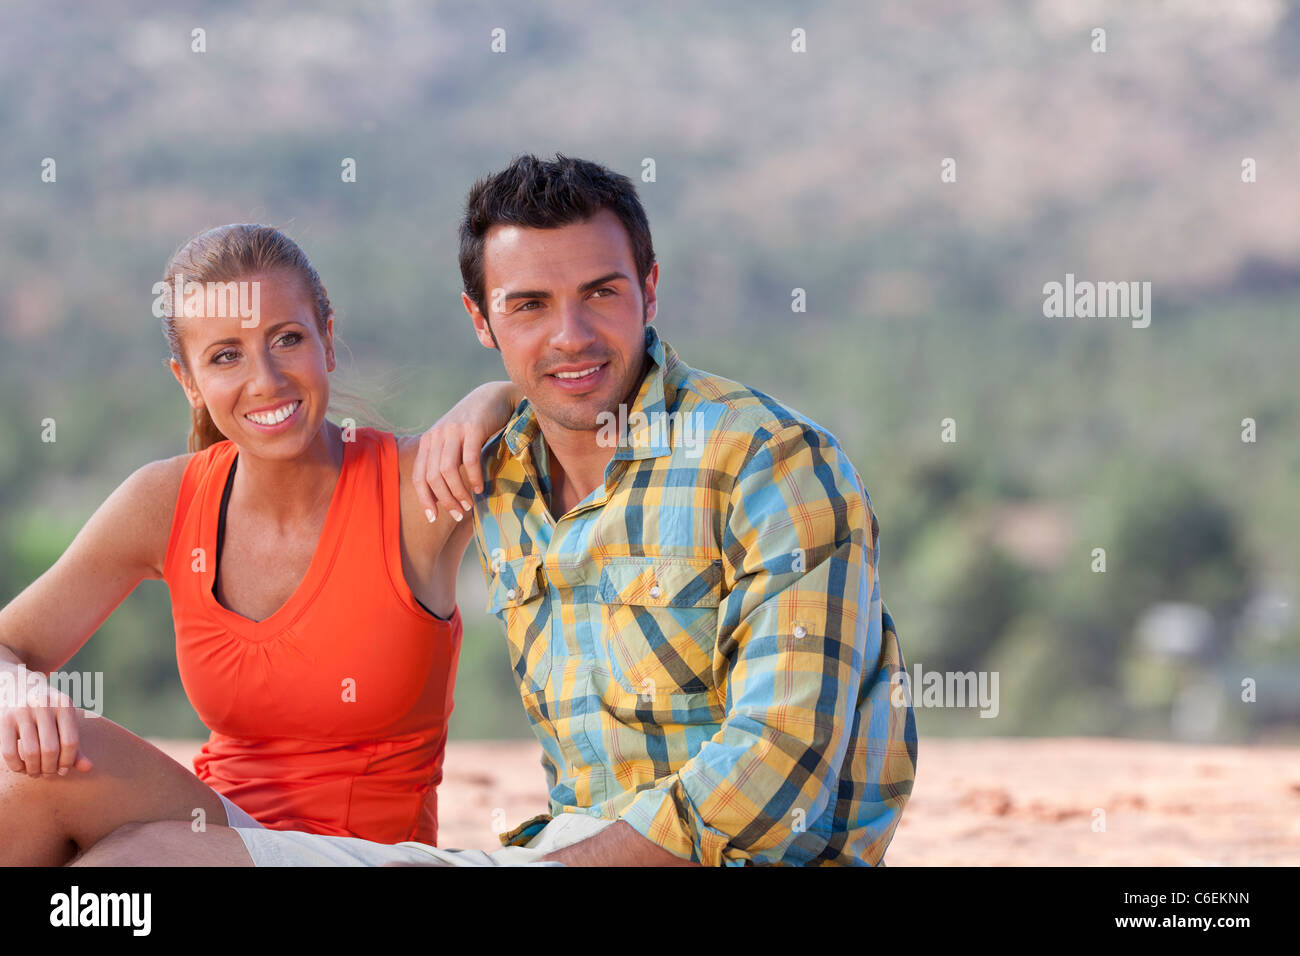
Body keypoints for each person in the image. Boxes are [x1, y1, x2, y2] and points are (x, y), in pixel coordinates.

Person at [77, 154, 918, 867]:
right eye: (529, 306)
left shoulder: (768, 460)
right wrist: (486, 407)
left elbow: (780, 758)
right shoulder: (499, 468)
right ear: (482, 320)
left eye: (601, 293)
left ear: (650, 290)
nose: (571, 337)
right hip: (564, 846)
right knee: (108, 873)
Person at [0, 224, 519, 865]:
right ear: (187, 380)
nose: (266, 379)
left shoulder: (417, 488)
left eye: (287, 339)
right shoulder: (166, 503)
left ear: (326, 339)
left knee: (125, 863)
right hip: (217, 832)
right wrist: (20, 694)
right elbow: (8, 646)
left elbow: (576, 405)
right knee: (31, 769)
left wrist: (495, 396)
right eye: (225, 356)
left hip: (362, 857)